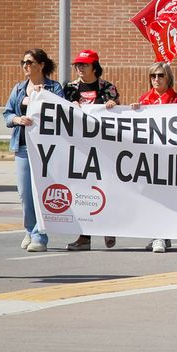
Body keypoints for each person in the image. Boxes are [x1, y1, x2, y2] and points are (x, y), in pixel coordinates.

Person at [3, 49, 62, 253]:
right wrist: (17, 119)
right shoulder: (19, 88)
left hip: (46, 149)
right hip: (22, 146)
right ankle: (30, 229)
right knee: (25, 194)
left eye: (30, 62)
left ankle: (39, 235)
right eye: (23, 62)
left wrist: (42, 96)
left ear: (41, 65)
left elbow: (59, 113)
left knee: (41, 192)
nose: (25, 66)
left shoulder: (54, 88)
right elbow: (7, 113)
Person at [64, 50, 119, 251]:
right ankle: (84, 236)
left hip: (104, 149)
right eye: (78, 64)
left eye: (84, 65)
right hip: (79, 149)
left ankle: (109, 227)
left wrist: (113, 105)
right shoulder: (69, 88)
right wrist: (70, 105)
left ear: (94, 66)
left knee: (106, 188)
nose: (80, 68)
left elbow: (118, 114)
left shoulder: (107, 88)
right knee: (82, 191)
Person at [132, 62, 177, 253]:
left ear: (168, 77)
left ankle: (161, 235)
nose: (156, 79)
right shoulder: (144, 100)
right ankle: (159, 234)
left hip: (170, 157)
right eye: (153, 75)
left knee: (167, 197)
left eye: (160, 75)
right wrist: (134, 112)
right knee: (152, 197)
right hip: (150, 156)